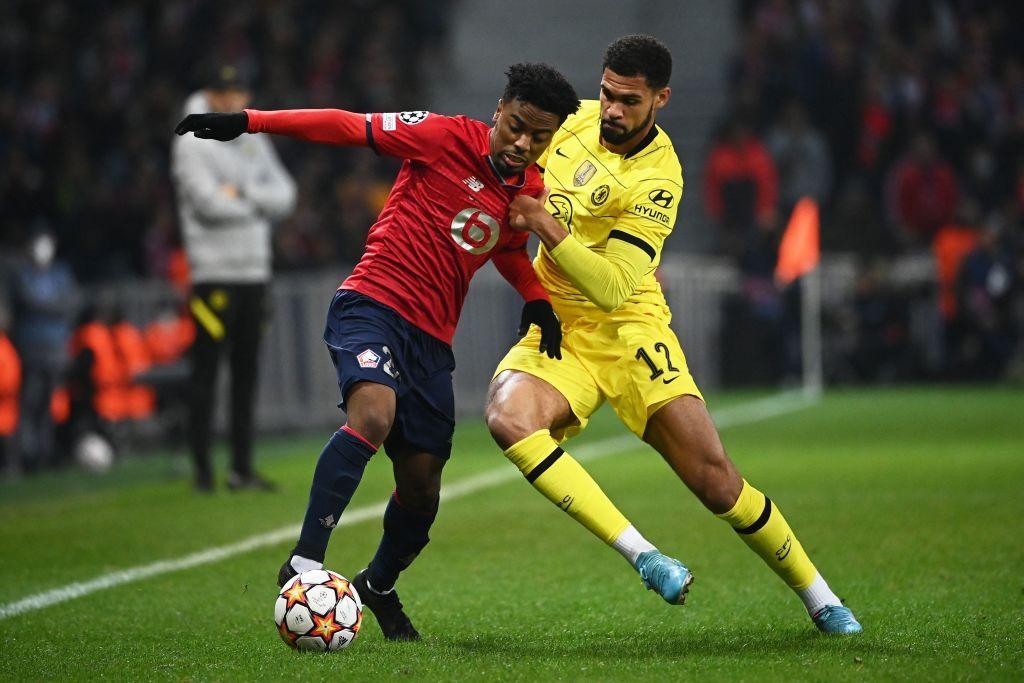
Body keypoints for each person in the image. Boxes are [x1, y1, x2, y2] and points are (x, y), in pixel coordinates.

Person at [175, 63, 580, 640]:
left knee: (422, 485)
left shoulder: (530, 190)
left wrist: (537, 298)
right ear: (499, 109)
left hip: (432, 342)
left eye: (540, 137)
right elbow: (343, 125)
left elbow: (506, 247)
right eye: (516, 126)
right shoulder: (443, 136)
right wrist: (249, 120)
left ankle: (378, 585)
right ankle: (305, 562)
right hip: (372, 304)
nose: (523, 143)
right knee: (373, 414)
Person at [485, 35, 862, 635]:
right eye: (607, 94)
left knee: (717, 483)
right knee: (508, 418)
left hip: (629, 327)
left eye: (629, 101)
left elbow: (611, 287)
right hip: (561, 323)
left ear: (661, 98)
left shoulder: (661, 178)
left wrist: (549, 228)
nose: (611, 109)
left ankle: (820, 596)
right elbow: (507, 141)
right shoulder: (573, 121)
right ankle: (645, 556)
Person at [171, 66, 297, 492]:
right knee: (205, 372)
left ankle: (241, 467)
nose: (232, 98)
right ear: (209, 93)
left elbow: (287, 193)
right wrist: (259, 202)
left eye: (239, 89)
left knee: (246, 374)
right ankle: (202, 469)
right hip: (214, 272)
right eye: (225, 91)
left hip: (254, 270)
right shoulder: (191, 138)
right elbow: (207, 204)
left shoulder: (249, 135)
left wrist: (241, 196)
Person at [6, 228, 78, 472]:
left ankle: (45, 456)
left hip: (55, 349)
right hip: (31, 349)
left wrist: (46, 305)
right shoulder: (21, 273)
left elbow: (70, 302)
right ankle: (24, 457)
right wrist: (51, 305)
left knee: (50, 404)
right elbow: (29, 300)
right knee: (28, 403)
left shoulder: (60, 273)